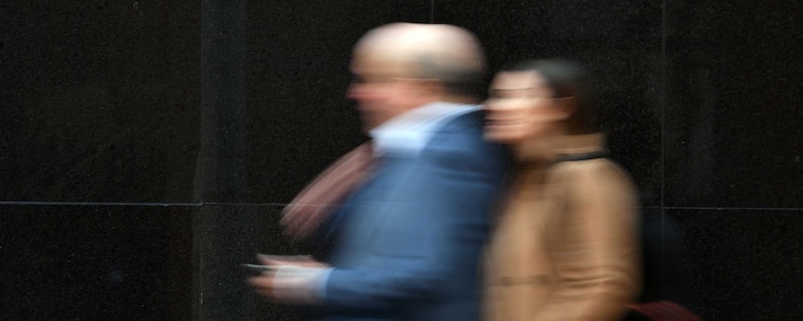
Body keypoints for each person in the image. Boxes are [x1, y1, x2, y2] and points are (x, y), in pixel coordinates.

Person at [249, 23, 509, 321]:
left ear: (422, 87)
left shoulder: (452, 155)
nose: (356, 94)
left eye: (371, 81)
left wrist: (311, 283)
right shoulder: (409, 148)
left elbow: (433, 273)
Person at [482, 59, 640, 321]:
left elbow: (602, 286)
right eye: (495, 96)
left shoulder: (588, 176)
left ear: (562, 107)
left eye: (515, 97)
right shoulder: (526, 174)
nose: (495, 107)